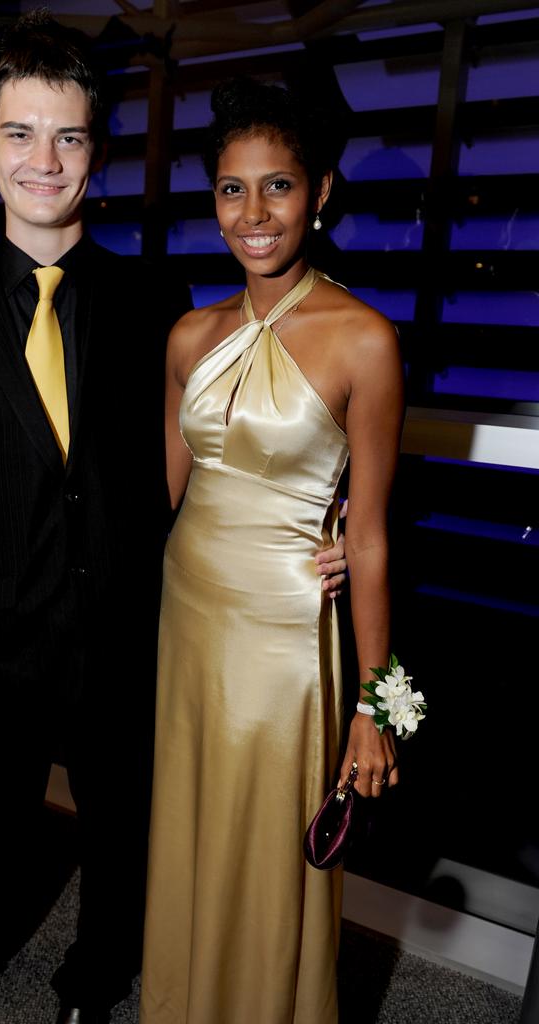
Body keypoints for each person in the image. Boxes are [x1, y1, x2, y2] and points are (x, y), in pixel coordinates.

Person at [0, 15, 349, 1023]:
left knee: (123, 828)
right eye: (19, 133)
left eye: (67, 137)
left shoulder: (160, 300)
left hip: (132, 637)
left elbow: (220, 441)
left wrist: (314, 527)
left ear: (95, 152)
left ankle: (94, 978)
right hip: (1, 639)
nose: (42, 161)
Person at [140, 76, 405, 1024]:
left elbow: (369, 537)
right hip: (187, 621)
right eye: (231, 189)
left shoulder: (365, 340)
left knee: (267, 853)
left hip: (288, 641)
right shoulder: (188, 337)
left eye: (278, 187)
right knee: (190, 829)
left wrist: (377, 708)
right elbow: (154, 505)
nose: (253, 214)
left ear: (321, 191)